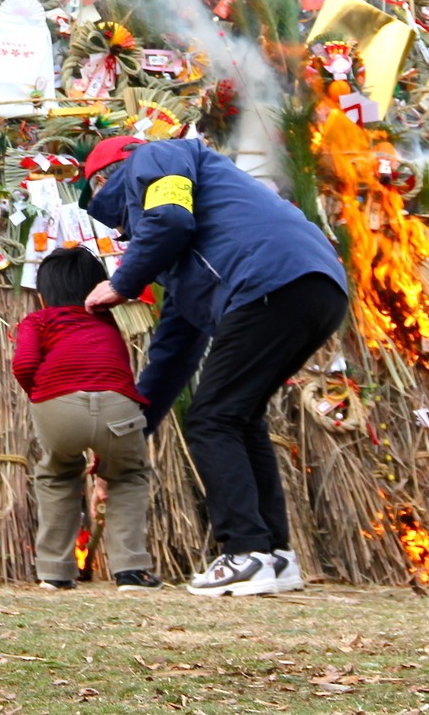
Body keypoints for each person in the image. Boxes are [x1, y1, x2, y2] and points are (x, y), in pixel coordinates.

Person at [83, 133, 347, 598]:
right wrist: (121, 448)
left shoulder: (156, 157)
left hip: (267, 281)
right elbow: (171, 357)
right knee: (238, 416)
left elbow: (167, 218)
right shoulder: (191, 261)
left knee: (212, 418)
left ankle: (244, 552)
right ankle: (274, 555)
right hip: (315, 287)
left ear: (106, 178)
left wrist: (121, 283)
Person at [12, 247, 159, 591]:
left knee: (57, 475)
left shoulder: (37, 320)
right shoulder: (107, 321)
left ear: (43, 294)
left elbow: (24, 364)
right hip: (117, 407)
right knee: (128, 475)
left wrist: (40, 394)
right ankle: (131, 570)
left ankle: (55, 572)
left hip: (57, 406)